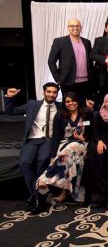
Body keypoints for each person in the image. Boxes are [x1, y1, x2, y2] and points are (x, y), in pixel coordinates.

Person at [4, 83, 61, 213]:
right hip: (32, 140)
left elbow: (76, 110)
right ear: (44, 92)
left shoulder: (60, 107)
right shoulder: (32, 104)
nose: (51, 94)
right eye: (49, 92)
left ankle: (35, 198)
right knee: (24, 163)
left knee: (42, 162)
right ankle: (36, 195)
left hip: (48, 140)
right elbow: (10, 111)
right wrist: (9, 97)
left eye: (54, 92)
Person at [37, 92, 92, 203]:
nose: (71, 103)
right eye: (67, 101)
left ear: (78, 101)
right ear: (64, 103)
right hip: (65, 145)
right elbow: (56, 137)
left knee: (69, 149)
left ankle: (44, 179)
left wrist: (83, 138)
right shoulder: (60, 116)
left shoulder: (87, 114)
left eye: (73, 100)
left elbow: (93, 133)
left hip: (83, 144)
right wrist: (53, 156)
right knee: (69, 159)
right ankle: (64, 193)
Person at [85, 93, 108, 206]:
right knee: (91, 160)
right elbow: (94, 131)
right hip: (97, 141)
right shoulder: (98, 114)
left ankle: (106, 195)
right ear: (104, 102)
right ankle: (95, 197)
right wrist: (100, 141)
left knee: (102, 159)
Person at [48, 18, 93, 105]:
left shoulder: (87, 42)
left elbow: (90, 62)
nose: (75, 28)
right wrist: (58, 79)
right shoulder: (59, 41)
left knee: (83, 106)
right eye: (72, 26)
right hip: (67, 81)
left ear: (81, 27)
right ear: (68, 27)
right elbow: (51, 61)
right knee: (69, 106)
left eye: (77, 26)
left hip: (85, 82)